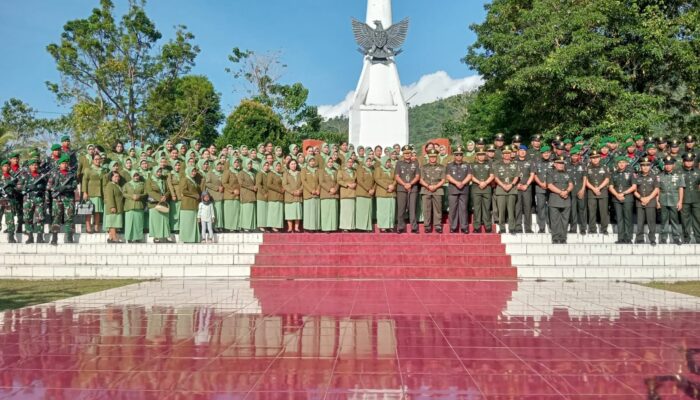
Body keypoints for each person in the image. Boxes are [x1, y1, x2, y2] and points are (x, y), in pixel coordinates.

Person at [46, 154, 78, 245]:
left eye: (66, 163)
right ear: (59, 164)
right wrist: (57, 188)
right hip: (58, 199)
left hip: (69, 198)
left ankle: (69, 236)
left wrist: (67, 187)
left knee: (69, 218)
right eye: (63, 163)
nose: (65, 165)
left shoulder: (71, 175)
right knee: (56, 217)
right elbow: (49, 186)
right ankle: (54, 237)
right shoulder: (54, 174)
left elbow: (74, 186)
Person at [18, 159, 48, 244]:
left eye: (36, 165)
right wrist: (27, 186)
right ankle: (30, 236)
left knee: (40, 218)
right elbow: (18, 186)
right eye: (33, 165)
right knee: (27, 218)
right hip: (28, 199)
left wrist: (39, 187)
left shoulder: (42, 176)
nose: (35, 166)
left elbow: (47, 186)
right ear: (29, 166)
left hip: (39, 199)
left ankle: (39, 237)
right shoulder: (25, 175)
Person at [609, 157, 637, 244]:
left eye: (623, 162)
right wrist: (617, 195)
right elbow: (610, 187)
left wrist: (623, 193)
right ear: (617, 164)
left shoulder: (631, 173)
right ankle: (620, 238)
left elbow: (634, 186)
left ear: (626, 163)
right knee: (619, 218)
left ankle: (628, 238)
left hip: (627, 198)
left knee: (628, 218)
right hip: (616, 199)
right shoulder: (613, 174)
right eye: (619, 162)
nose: (621, 164)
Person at [658, 155, 685, 245]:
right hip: (663, 200)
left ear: (673, 165)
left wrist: (680, 201)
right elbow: (657, 189)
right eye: (666, 164)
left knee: (674, 220)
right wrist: (657, 201)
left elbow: (681, 188)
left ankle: (676, 238)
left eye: (670, 164)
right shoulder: (660, 175)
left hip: (674, 200)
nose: (668, 166)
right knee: (664, 220)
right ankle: (663, 238)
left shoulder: (679, 175)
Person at [547, 156, 573, 244]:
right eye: (559, 163)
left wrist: (567, 191)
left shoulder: (567, 173)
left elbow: (571, 185)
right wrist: (561, 192)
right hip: (555, 200)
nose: (561, 165)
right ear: (555, 164)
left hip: (566, 200)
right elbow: (550, 185)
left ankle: (563, 238)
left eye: (562, 163)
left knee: (565, 221)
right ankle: (555, 238)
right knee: (555, 221)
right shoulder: (550, 173)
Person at [493, 148, 520, 234]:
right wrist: (503, 185)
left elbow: (516, 176)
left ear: (511, 155)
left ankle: (512, 228)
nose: (507, 155)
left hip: (512, 189)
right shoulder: (497, 165)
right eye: (505, 154)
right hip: (501, 189)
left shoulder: (515, 165)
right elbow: (496, 178)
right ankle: (502, 228)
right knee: (501, 210)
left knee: (511, 210)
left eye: (508, 154)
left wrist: (511, 185)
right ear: (502, 155)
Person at [419, 149, 446, 233]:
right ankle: (427, 226)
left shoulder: (442, 167)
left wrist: (435, 186)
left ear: (436, 157)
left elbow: (443, 179)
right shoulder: (423, 167)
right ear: (429, 157)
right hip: (426, 189)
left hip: (438, 189)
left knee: (437, 208)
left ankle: (437, 225)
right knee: (426, 208)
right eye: (431, 157)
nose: (433, 158)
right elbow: (421, 179)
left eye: (434, 157)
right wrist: (428, 186)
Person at [634, 157, 659, 245]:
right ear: (640, 167)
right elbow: (634, 190)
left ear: (650, 167)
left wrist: (648, 198)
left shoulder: (654, 176)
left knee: (651, 221)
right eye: (643, 166)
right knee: (640, 221)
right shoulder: (636, 177)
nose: (645, 167)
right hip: (639, 202)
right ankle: (639, 238)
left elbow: (656, 189)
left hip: (651, 202)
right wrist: (641, 198)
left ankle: (652, 239)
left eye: (647, 165)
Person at [394, 145, 420, 233]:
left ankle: (414, 227)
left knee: (412, 208)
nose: (407, 155)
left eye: (409, 153)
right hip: (401, 188)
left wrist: (410, 184)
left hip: (413, 188)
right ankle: (400, 227)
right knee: (401, 208)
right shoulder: (399, 163)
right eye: (405, 153)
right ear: (403, 154)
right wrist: (405, 184)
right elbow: (397, 176)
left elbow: (417, 176)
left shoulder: (415, 163)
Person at [446, 146, 471, 234]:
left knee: (463, 209)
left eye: (460, 155)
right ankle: (453, 227)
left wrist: (463, 183)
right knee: (453, 209)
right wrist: (457, 183)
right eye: (457, 155)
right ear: (454, 155)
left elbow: (469, 175)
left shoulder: (467, 165)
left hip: (464, 189)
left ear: (462, 156)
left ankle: (464, 227)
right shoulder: (449, 165)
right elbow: (448, 176)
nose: (459, 156)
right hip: (453, 189)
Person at [585, 150, 610, 234]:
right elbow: (586, 180)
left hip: (602, 192)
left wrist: (598, 188)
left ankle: (604, 229)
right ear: (590, 159)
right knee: (592, 211)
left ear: (600, 158)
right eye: (593, 158)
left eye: (596, 158)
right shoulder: (587, 168)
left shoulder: (605, 167)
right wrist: (594, 189)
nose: (595, 159)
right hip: (591, 192)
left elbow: (607, 179)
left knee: (603, 212)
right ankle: (592, 229)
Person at [471, 149, 494, 233]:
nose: (481, 156)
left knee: (487, 208)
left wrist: (486, 182)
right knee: (477, 209)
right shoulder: (472, 165)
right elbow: (471, 176)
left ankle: (488, 227)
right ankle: (477, 228)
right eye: (479, 155)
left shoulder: (489, 164)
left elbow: (492, 175)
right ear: (476, 156)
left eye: (483, 155)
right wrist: (479, 182)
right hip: (476, 188)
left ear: (485, 156)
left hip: (487, 189)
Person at [147, 166, 172, 243]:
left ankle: (165, 237)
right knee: (155, 221)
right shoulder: (149, 180)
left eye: (160, 172)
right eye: (157, 172)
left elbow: (168, 190)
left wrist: (165, 196)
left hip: (163, 203)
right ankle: (156, 237)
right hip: (154, 204)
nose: (159, 173)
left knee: (164, 220)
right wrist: (159, 198)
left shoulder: (163, 180)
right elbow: (149, 191)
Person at [81, 153, 105, 233]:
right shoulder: (88, 169)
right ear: (93, 160)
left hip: (99, 193)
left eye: (99, 159)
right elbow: (84, 181)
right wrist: (85, 192)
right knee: (88, 211)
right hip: (90, 193)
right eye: (96, 159)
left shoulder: (103, 170)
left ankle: (96, 227)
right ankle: (88, 227)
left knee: (97, 211)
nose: (98, 161)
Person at [680, 153, 700, 244]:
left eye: (690, 161)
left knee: (698, 219)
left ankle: (698, 238)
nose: (689, 163)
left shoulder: (698, 171)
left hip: (697, 199)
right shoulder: (678, 172)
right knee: (685, 220)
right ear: (683, 161)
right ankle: (686, 238)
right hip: (684, 199)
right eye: (687, 161)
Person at [514, 145, 535, 233]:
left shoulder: (530, 162)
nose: (522, 152)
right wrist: (516, 184)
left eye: (524, 150)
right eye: (521, 150)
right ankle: (518, 226)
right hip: (516, 187)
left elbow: (532, 175)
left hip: (527, 187)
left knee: (527, 207)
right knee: (517, 207)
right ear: (518, 152)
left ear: (526, 152)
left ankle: (528, 227)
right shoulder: (514, 162)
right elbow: (511, 175)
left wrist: (526, 184)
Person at [122, 170, 146, 243]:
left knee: (138, 223)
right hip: (129, 206)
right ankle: (129, 237)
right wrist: (131, 196)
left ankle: (137, 237)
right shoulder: (127, 184)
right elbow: (123, 193)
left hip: (139, 206)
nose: (136, 177)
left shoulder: (142, 184)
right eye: (134, 175)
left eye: (137, 175)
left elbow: (146, 193)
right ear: (132, 176)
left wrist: (139, 196)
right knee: (129, 223)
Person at [568, 147, 587, 235]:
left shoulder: (583, 165)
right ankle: (573, 228)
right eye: (573, 155)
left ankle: (583, 228)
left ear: (578, 156)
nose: (574, 157)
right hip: (571, 191)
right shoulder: (566, 166)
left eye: (576, 155)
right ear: (570, 156)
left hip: (580, 190)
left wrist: (583, 189)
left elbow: (585, 178)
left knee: (582, 209)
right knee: (572, 209)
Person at [180, 166, 201, 243]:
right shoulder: (185, 179)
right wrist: (194, 195)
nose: (194, 173)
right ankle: (186, 239)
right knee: (187, 222)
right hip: (187, 205)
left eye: (195, 171)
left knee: (192, 222)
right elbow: (183, 191)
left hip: (194, 204)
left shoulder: (193, 180)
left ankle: (193, 238)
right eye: (192, 171)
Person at [533, 146, 552, 233]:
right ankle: (542, 227)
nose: (546, 154)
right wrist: (541, 183)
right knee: (540, 207)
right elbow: (535, 175)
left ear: (550, 153)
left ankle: (552, 227)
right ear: (541, 154)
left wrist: (548, 184)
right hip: (540, 188)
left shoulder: (554, 163)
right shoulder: (536, 163)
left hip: (551, 189)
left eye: (548, 153)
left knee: (551, 208)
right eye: (544, 153)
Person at [355, 157, 375, 232]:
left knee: (368, 211)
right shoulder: (361, 169)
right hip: (362, 193)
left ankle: (367, 227)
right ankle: (360, 227)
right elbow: (360, 181)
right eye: (367, 161)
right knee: (361, 211)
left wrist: (373, 189)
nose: (369, 162)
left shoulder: (372, 170)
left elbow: (375, 181)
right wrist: (368, 189)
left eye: (370, 161)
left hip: (370, 193)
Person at [103, 171, 124, 244]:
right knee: (113, 223)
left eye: (118, 176)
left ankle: (110, 237)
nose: (117, 178)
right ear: (111, 177)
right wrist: (112, 206)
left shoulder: (117, 185)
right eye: (115, 176)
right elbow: (109, 197)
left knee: (114, 222)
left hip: (118, 207)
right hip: (113, 207)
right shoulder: (110, 185)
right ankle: (115, 238)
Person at [301, 156, 321, 232]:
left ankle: (316, 227)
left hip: (316, 193)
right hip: (308, 193)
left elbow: (320, 181)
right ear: (308, 162)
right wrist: (311, 190)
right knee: (308, 211)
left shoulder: (318, 170)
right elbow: (304, 181)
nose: (312, 162)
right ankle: (308, 227)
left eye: (313, 161)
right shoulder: (304, 170)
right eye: (310, 161)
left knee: (316, 211)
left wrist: (318, 189)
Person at [283, 159, 303, 233]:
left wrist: (300, 190)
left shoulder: (299, 173)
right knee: (290, 212)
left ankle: (297, 228)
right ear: (289, 165)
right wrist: (292, 191)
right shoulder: (286, 174)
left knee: (297, 212)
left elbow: (303, 183)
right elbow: (284, 184)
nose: (293, 165)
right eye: (292, 164)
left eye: (295, 164)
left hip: (298, 195)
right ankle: (290, 228)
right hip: (289, 195)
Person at [205, 160, 226, 233]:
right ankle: (215, 226)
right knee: (215, 211)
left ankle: (220, 226)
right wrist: (217, 188)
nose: (219, 166)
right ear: (214, 165)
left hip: (223, 195)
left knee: (220, 212)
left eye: (220, 165)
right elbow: (207, 183)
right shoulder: (210, 173)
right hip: (214, 195)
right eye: (218, 165)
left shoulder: (223, 173)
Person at [320, 158, 339, 232]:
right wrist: (329, 189)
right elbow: (321, 182)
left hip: (334, 194)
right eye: (329, 162)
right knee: (326, 212)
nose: (330, 163)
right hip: (326, 194)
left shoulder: (335, 171)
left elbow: (338, 181)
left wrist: (335, 189)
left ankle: (333, 227)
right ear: (326, 163)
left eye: (331, 162)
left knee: (333, 212)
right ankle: (326, 228)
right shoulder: (322, 171)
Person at [338, 158, 357, 231]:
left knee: (351, 211)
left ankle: (351, 227)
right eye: (348, 162)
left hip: (353, 192)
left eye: (351, 162)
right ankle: (344, 227)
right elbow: (339, 180)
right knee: (345, 211)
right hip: (345, 192)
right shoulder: (341, 171)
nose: (350, 163)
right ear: (345, 163)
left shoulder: (354, 171)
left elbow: (357, 180)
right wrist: (347, 184)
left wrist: (355, 184)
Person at [238, 159, 257, 232]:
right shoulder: (241, 173)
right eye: (248, 164)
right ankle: (245, 226)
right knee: (246, 211)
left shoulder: (252, 173)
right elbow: (241, 183)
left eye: (251, 164)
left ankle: (250, 226)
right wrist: (252, 187)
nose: (250, 165)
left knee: (251, 210)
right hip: (245, 194)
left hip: (252, 194)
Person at [222, 158, 241, 233]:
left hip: (237, 196)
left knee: (236, 212)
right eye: (235, 162)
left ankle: (236, 227)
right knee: (230, 212)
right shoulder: (228, 172)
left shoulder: (239, 172)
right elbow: (224, 183)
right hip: (229, 195)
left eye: (237, 162)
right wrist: (232, 191)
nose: (236, 163)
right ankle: (230, 227)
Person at [0, 160, 17, 243]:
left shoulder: (13, 177)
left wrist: (13, 185)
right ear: (1, 167)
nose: (6, 167)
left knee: (10, 218)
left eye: (8, 166)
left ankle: (11, 236)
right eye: (4, 166)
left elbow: (18, 188)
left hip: (9, 200)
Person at [266, 161, 285, 232]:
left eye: (279, 166)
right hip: (273, 196)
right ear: (274, 166)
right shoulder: (271, 174)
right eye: (276, 166)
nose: (278, 167)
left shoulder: (281, 174)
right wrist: (280, 189)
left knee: (278, 212)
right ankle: (273, 226)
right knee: (273, 212)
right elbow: (269, 184)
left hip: (280, 196)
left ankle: (277, 226)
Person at [167, 160, 182, 232]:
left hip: (181, 195)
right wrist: (173, 194)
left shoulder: (182, 174)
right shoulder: (170, 174)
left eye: (179, 165)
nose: (177, 167)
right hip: (175, 196)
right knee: (174, 213)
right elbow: (170, 185)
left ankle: (179, 227)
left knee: (180, 212)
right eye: (176, 165)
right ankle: (174, 228)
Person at [256, 161, 270, 232]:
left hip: (268, 196)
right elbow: (258, 184)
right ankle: (261, 226)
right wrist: (264, 193)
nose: (266, 167)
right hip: (261, 196)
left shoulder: (268, 173)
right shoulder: (260, 174)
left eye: (267, 165)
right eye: (265, 165)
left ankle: (265, 226)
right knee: (261, 212)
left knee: (266, 212)